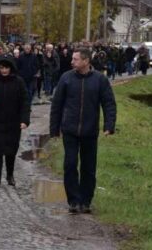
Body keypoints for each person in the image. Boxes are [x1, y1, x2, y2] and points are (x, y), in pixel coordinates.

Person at [49, 48, 116, 215]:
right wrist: (54, 129)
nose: (72, 62)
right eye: (72, 59)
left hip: (90, 130)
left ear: (86, 61)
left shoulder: (100, 80)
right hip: (70, 130)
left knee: (88, 167)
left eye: (76, 59)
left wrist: (109, 126)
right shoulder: (66, 78)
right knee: (70, 165)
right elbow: (57, 105)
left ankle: (86, 201)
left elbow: (108, 103)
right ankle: (73, 200)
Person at [0, 58, 29, 188]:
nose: (4, 70)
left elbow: (25, 102)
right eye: (2, 68)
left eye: (6, 68)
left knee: (11, 150)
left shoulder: (18, 82)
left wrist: (25, 120)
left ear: (11, 68)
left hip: (13, 122)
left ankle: (10, 175)